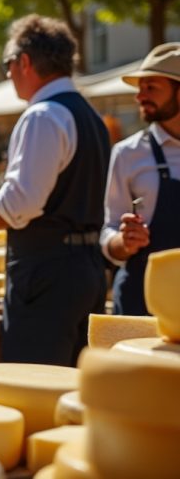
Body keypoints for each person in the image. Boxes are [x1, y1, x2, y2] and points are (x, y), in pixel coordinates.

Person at [0, 15, 110, 366]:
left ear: (24, 61)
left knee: (35, 384)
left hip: (47, 273)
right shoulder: (91, 118)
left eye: (9, 64)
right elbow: (56, 198)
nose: (8, 74)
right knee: (74, 386)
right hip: (86, 267)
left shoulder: (42, 115)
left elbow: (21, 204)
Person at [101, 42, 180, 315]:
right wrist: (123, 243)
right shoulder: (127, 153)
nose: (139, 96)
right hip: (140, 304)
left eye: (151, 87)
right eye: (140, 87)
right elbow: (108, 231)